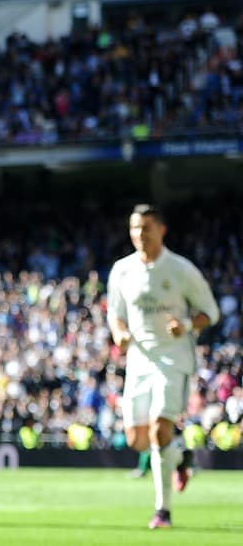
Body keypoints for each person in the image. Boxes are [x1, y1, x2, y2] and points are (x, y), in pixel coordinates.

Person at [106, 204, 220, 530]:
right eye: (134, 228)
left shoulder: (182, 270)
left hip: (174, 358)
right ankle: (182, 457)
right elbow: (115, 312)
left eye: (146, 228)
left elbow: (210, 312)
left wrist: (185, 324)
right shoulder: (122, 270)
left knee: (159, 430)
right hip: (139, 359)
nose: (139, 234)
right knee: (136, 440)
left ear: (161, 230)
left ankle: (163, 511)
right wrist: (119, 332)